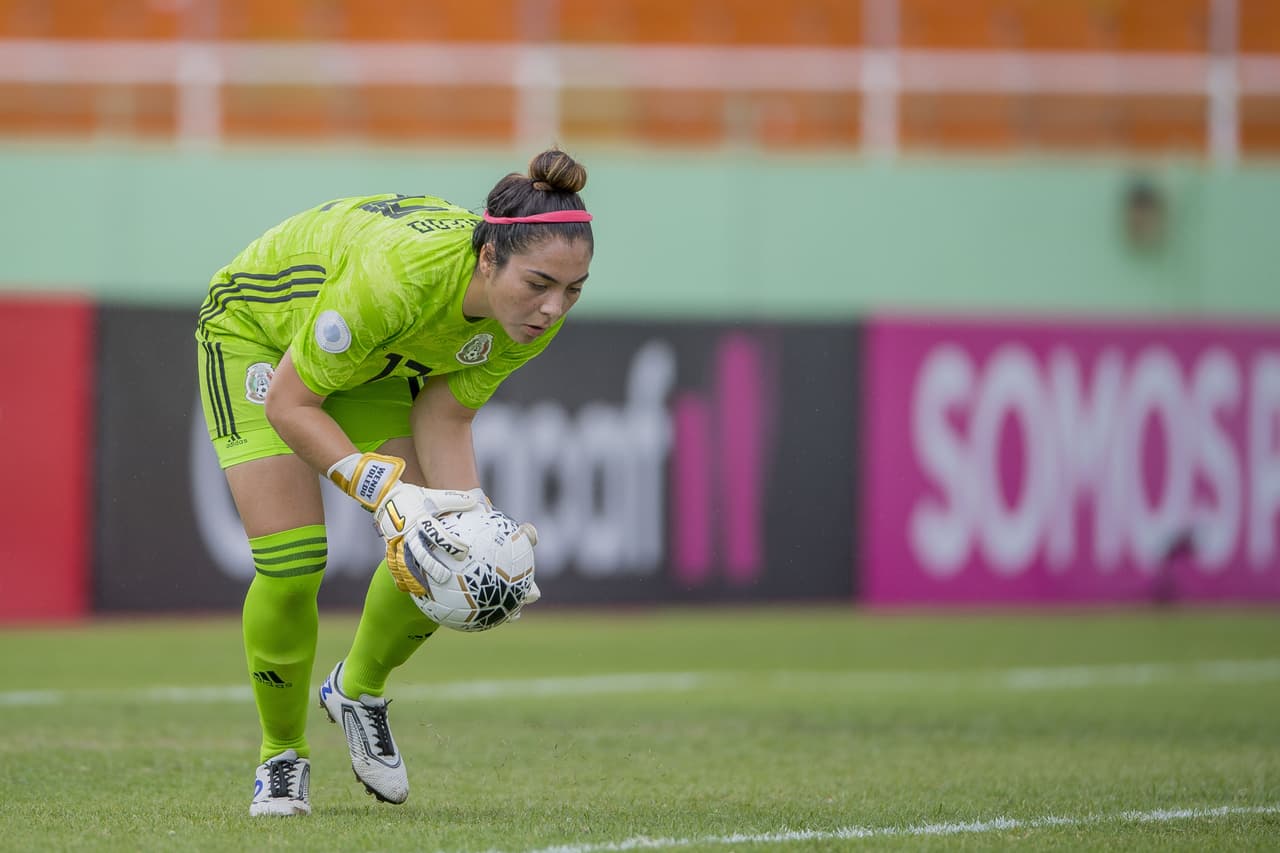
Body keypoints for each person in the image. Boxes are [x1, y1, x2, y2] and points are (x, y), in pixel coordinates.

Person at [194, 149, 594, 817]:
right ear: (487, 258)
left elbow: (445, 412)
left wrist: (473, 522)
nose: (553, 308)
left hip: (373, 362)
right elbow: (291, 405)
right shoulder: (399, 279)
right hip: (257, 339)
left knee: (444, 543)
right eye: (540, 284)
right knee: (293, 563)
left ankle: (358, 688)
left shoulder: (527, 315)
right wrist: (383, 492)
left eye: (573, 290)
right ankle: (281, 756)